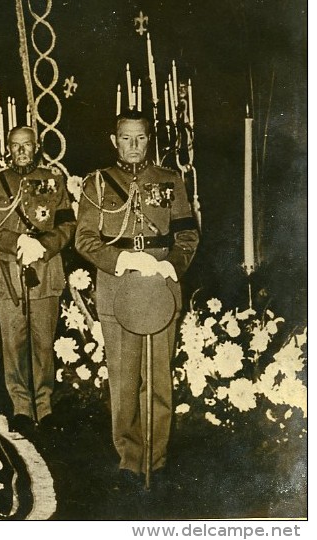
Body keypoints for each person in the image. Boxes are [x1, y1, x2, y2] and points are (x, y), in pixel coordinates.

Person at [75, 111, 199, 488]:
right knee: (124, 378)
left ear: (150, 140)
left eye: (140, 139)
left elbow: (188, 235)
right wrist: (122, 259)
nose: (133, 146)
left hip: (159, 286)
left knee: (159, 378)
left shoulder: (170, 181)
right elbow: (84, 239)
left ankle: (156, 459)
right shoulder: (96, 185)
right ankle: (130, 460)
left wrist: (171, 266)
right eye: (125, 139)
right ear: (114, 140)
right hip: (118, 287)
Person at [0, 126, 76, 432]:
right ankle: (21, 405)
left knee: (44, 342)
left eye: (27, 145)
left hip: (45, 271)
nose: (21, 151)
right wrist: (17, 242)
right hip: (8, 274)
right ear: (8, 148)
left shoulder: (54, 180)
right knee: (14, 343)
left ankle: (44, 406)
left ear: (37, 148)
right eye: (15, 146)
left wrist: (43, 245)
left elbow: (68, 224)